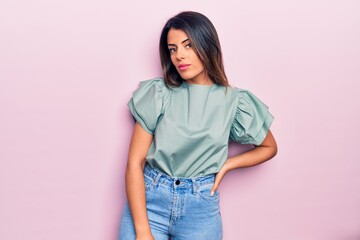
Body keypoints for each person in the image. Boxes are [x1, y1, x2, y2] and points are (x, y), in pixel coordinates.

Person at [119, 11, 278, 240]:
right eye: (173, 49)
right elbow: (135, 163)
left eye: (188, 45)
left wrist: (228, 164)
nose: (179, 56)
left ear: (207, 45)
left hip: (200, 209)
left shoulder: (233, 101)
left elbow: (269, 147)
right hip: (150, 201)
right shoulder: (159, 93)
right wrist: (143, 231)